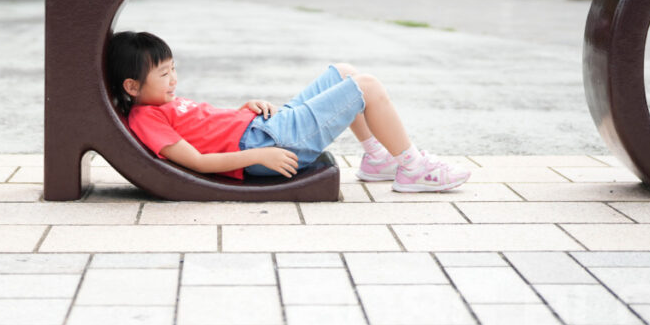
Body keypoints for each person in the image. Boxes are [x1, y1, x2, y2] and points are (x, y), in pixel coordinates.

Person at [106, 31, 470, 192]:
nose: (174, 80)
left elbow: (208, 128)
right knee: (367, 87)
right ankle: (412, 167)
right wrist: (258, 153)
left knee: (343, 72)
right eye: (164, 74)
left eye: (174, 69)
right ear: (132, 86)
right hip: (271, 143)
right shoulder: (146, 118)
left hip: (264, 128)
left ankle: (377, 159)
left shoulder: (163, 104)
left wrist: (245, 109)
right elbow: (198, 161)